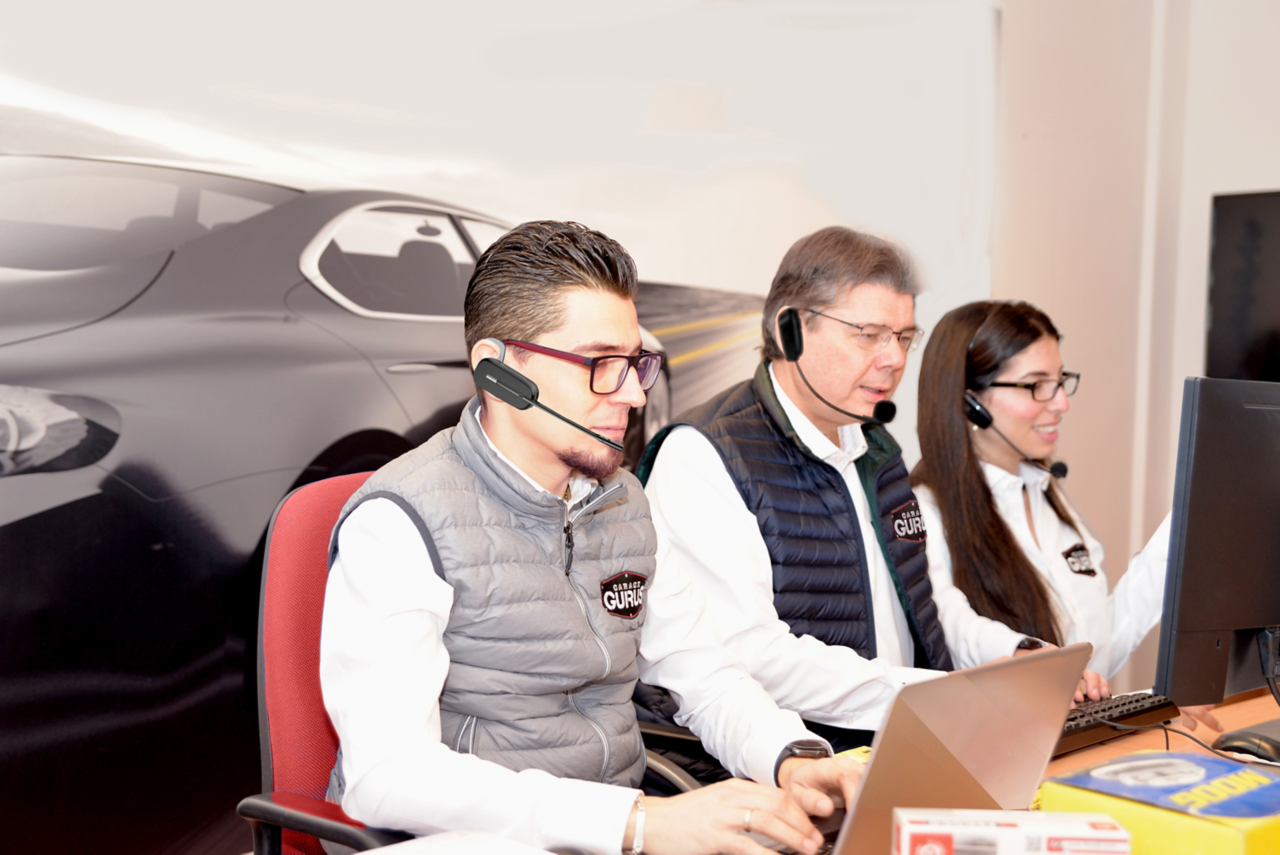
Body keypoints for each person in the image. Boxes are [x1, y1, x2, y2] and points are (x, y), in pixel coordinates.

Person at [319, 220, 863, 855]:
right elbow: (388, 777)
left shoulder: (624, 500)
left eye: (636, 364)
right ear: (498, 372)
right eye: (601, 365)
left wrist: (791, 758)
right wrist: (636, 822)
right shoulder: (398, 522)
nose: (632, 393)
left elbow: (702, 672)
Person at [640, 227, 1033, 751]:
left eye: (904, 337)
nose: (894, 359)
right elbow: (749, 655)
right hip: (795, 767)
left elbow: (929, 603)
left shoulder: (877, 447)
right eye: (869, 334)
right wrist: (928, 694)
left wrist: (1018, 658)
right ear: (789, 331)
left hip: (912, 740)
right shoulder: (703, 456)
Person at [909, 299, 1220, 729]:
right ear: (969, 402)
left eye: (1060, 382)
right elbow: (952, 630)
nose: (1060, 404)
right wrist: (1037, 660)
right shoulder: (924, 513)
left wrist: (1190, 519)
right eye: (1037, 385)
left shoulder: (1045, 495)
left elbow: (1095, 651)